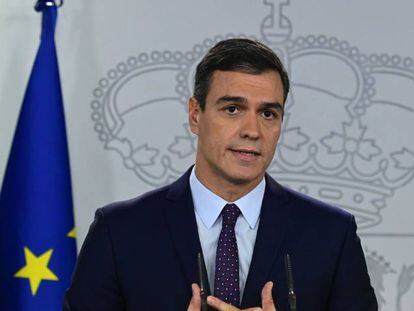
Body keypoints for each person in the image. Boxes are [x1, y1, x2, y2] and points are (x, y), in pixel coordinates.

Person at [64, 38, 377, 310]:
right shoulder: (120, 232)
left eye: (268, 113)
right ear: (195, 114)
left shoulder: (331, 235)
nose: (252, 131)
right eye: (233, 109)